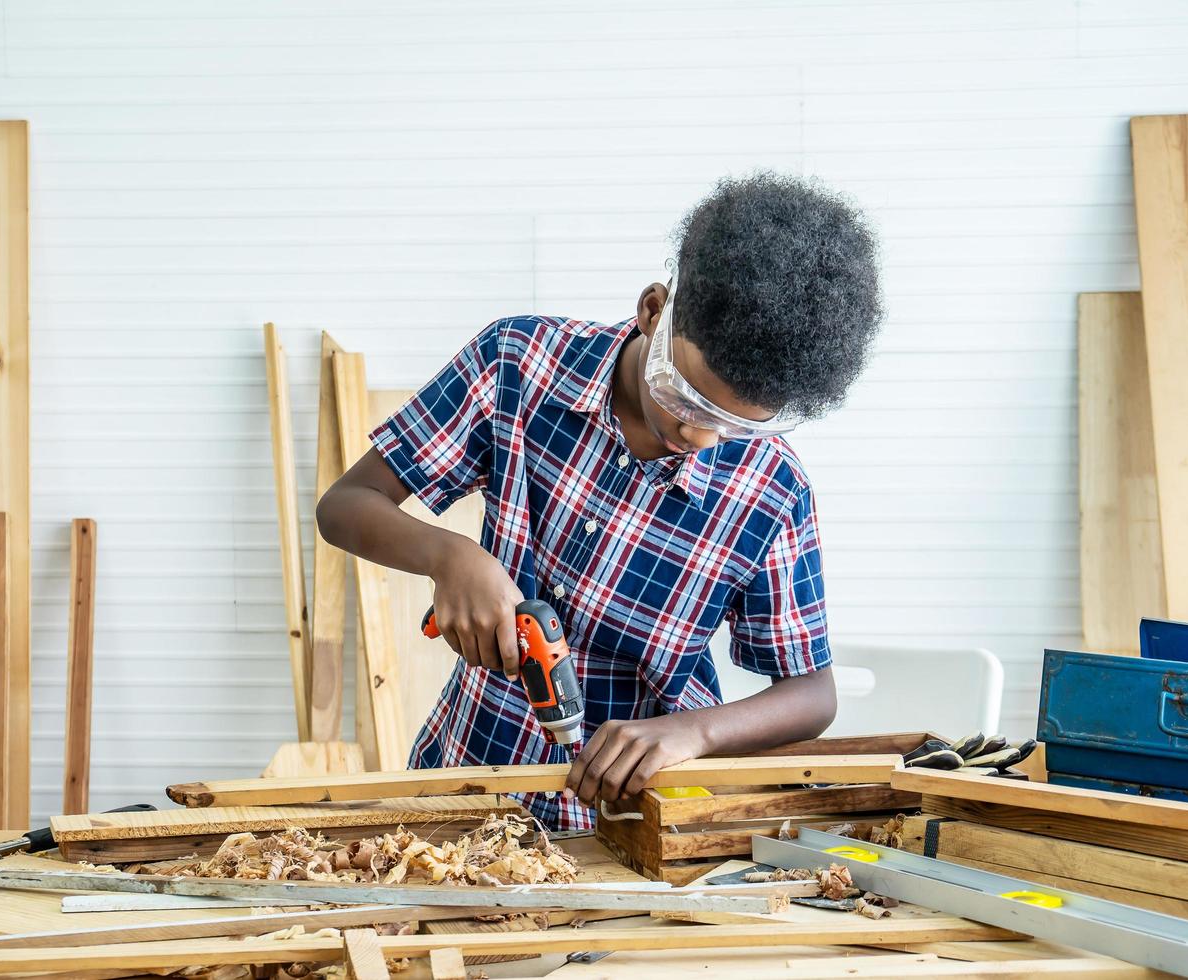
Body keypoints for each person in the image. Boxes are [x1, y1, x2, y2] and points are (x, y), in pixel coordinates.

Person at [316, 172, 884, 830]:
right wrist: (450, 557)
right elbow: (346, 504)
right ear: (654, 309)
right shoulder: (518, 364)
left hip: (638, 826)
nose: (699, 436)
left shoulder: (770, 488)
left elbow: (813, 695)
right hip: (468, 782)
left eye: (735, 426)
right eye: (687, 397)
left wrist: (693, 732)